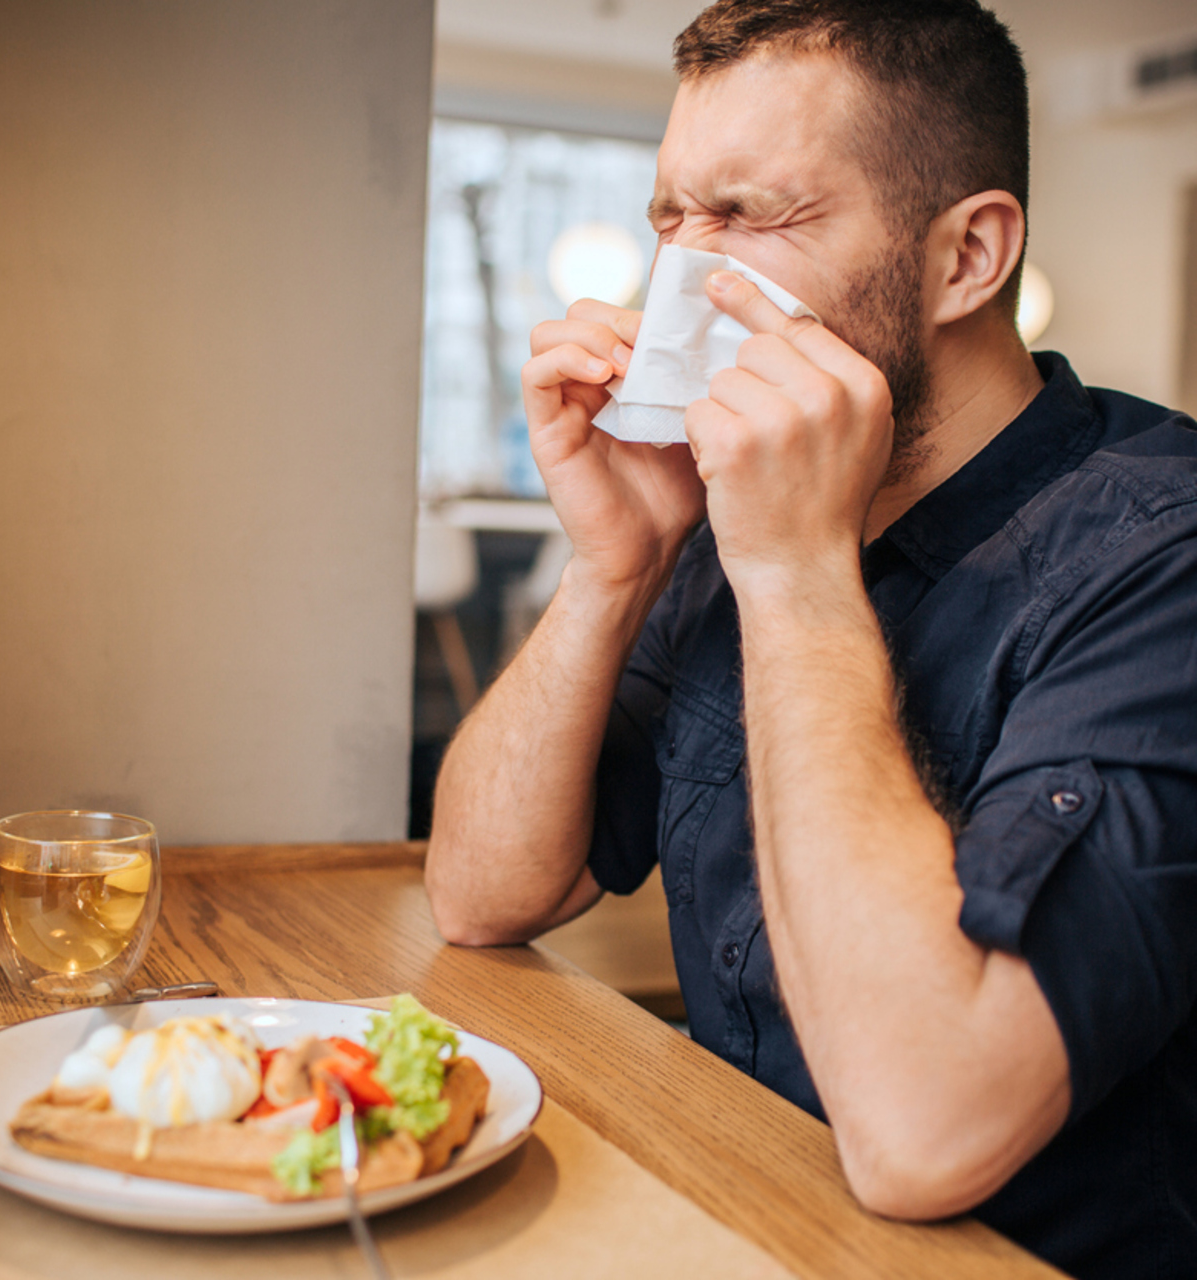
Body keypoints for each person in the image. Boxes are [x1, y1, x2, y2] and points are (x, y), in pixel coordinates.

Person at [424, 2, 1197, 1276]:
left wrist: (793, 573)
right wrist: (614, 566)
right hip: (737, 1209)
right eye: (671, 217)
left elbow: (921, 1131)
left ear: (966, 258)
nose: (680, 273)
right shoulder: (727, 510)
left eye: (753, 217)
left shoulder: (1157, 554)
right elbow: (483, 889)